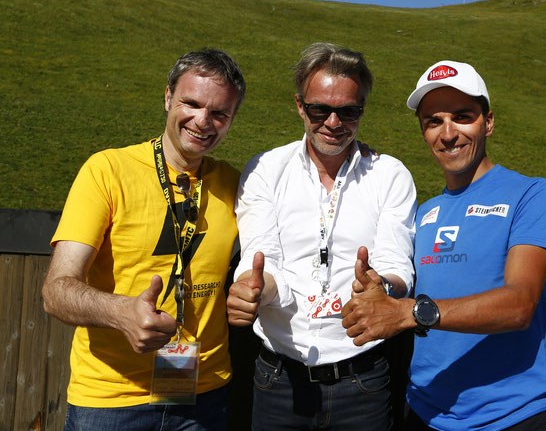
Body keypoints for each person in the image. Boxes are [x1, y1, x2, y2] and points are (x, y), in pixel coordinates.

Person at [342, 60, 546, 431]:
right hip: (425, 413)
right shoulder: (425, 212)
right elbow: (413, 288)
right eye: (433, 121)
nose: (448, 134)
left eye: (462, 116)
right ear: (424, 132)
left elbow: (520, 305)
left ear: (489, 122)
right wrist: (381, 289)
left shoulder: (531, 193)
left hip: (511, 417)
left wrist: (406, 313)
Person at [41, 48, 246, 431]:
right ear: (168, 97)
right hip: (110, 400)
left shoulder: (237, 184)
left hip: (205, 397)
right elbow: (56, 291)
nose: (203, 121)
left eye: (219, 113)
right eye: (192, 103)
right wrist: (121, 313)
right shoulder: (107, 171)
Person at [226, 42, 417, 431]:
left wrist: (385, 288)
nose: (333, 122)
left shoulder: (390, 174)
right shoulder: (265, 169)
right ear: (300, 106)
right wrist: (256, 288)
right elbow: (262, 258)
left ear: (362, 109)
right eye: (320, 109)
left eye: (348, 111)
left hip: (362, 380)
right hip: (279, 378)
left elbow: (398, 265)